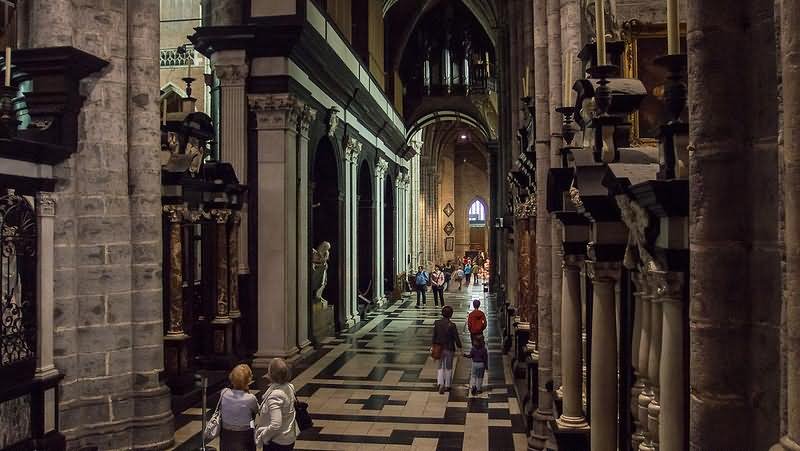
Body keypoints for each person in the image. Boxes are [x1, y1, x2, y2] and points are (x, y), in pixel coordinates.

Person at [255, 358, 298, 450]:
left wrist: (263, 436)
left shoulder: (275, 395)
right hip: (289, 436)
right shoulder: (290, 387)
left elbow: (276, 424)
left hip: (277, 441)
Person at [219, 364, 259, 451]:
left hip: (226, 435)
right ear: (248, 380)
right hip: (244, 436)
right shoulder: (251, 398)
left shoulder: (224, 393)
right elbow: (257, 411)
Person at [432, 305, 463, 394]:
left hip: (439, 347)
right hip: (449, 348)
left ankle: (440, 383)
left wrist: (433, 346)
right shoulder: (452, 325)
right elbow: (456, 338)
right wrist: (460, 347)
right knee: (449, 367)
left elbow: (434, 335)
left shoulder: (437, 323)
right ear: (451, 314)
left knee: (440, 365)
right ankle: (447, 385)